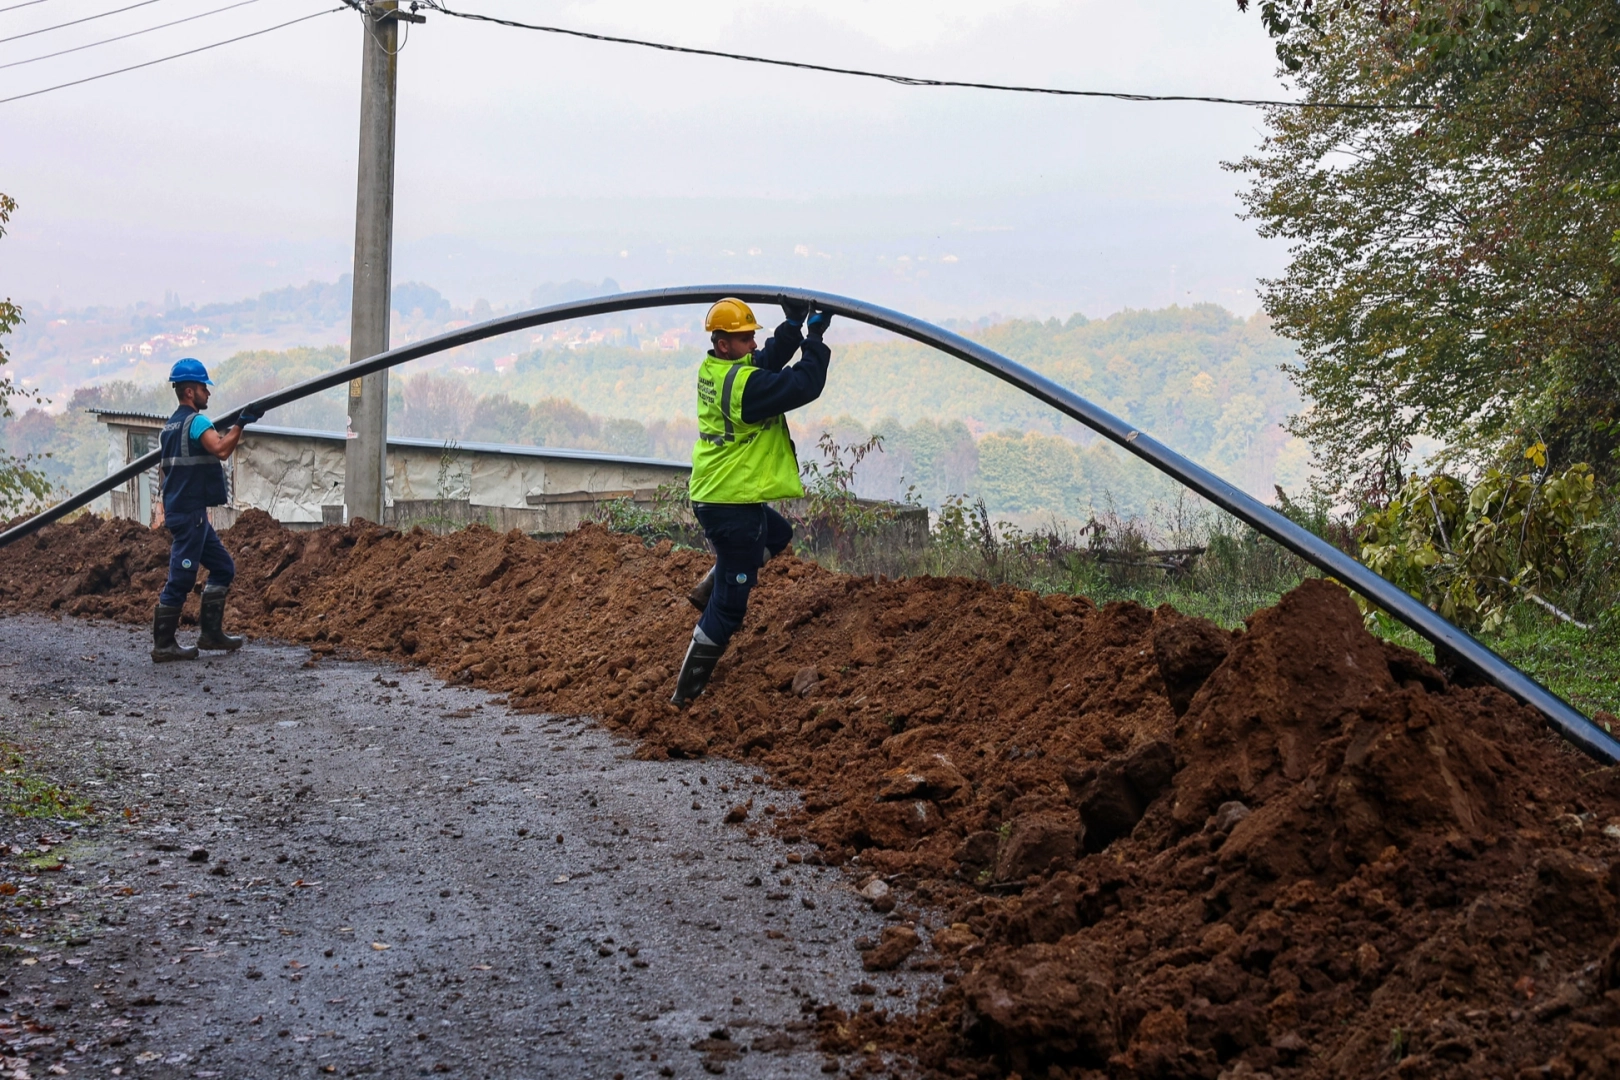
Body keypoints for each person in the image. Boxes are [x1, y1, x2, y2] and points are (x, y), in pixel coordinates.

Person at [672, 297, 833, 705]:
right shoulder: (745, 389)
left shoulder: (719, 369)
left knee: (776, 534)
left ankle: (717, 578)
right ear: (724, 343)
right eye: (745, 338)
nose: (752, 344)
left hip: (717, 493)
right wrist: (815, 336)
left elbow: (765, 362)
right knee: (730, 611)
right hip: (730, 504)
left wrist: (793, 325)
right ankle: (684, 694)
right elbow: (804, 383)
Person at [151, 358, 262, 663]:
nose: (208, 394)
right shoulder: (196, 422)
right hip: (189, 514)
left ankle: (210, 634)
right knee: (181, 577)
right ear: (189, 392)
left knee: (224, 567)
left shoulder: (169, 427)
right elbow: (222, 449)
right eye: (203, 388)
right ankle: (164, 645)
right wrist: (241, 422)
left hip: (187, 511)